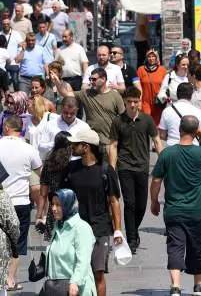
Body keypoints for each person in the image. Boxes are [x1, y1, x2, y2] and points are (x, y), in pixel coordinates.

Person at [150, 116, 201, 296]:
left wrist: (154, 201)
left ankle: (175, 286)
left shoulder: (167, 153)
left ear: (179, 129)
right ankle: (198, 283)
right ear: (195, 131)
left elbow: (156, 180)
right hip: (197, 210)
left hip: (174, 210)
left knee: (175, 246)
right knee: (197, 246)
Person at [63, 125, 123, 296]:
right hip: (75, 228)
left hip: (99, 228)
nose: (72, 147)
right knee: (75, 273)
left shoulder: (105, 170)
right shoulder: (71, 169)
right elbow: (63, 198)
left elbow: (114, 201)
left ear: (86, 147)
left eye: (76, 144)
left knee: (98, 273)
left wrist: (118, 230)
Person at [0, 115, 42, 291]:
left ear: (6, 128)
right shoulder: (29, 149)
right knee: (17, 243)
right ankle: (10, 279)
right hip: (21, 202)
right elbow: (41, 172)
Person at [109, 87, 163, 252]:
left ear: (139, 102)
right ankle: (132, 239)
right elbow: (113, 145)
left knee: (141, 205)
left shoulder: (147, 120)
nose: (132, 105)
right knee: (130, 203)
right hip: (125, 167)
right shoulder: (118, 121)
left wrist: (164, 161)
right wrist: (112, 168)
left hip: (142, 167)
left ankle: (134, 231)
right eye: (130, 102)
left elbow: (157, 141)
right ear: (125, 102)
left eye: (135, 101)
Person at [44, 189, 97, 296]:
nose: (53, 208)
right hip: (57, 288)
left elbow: (83, 261)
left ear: (68, 205)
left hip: (76, 290)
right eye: (52, 204)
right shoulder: (58, 226)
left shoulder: (81, 228)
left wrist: (75, 282)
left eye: (58, 205)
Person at [62, 67, 126, 146]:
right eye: (90, 79)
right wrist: (57, 82)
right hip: (92, 141)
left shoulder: (115, 96)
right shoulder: (86, 93)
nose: (91, 82)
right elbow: (66, 94)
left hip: (109, 142)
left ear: (103, 79)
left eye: (94, 79)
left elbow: (124, 119)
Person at [38, 132, 73, 240]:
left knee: (53, 242)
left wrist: (39, 215)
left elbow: (43, 194)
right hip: (70, 207)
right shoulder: (72, 165)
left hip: (53, 209)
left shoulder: (49, 164)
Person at [137, 48, 168, 122]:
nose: (151, 58)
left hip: (158, 102)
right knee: (146, 121)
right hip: (145, 102)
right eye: (149, 56)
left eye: (153, 56)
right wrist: (139, 101)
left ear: (157, 58)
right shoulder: (141, 69)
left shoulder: (162, 70)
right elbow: (138, 86)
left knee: (158, 123)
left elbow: (166, 86)